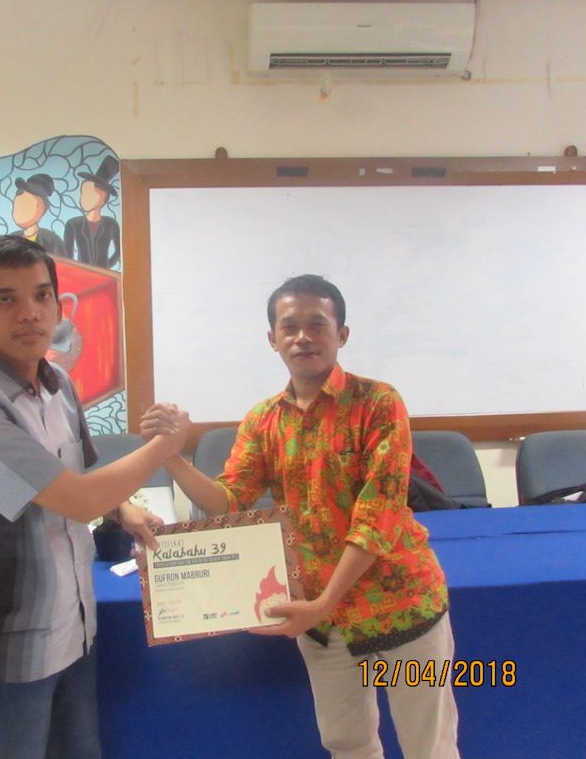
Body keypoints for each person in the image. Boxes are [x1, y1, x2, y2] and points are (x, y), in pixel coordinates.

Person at [141, 274, 460, 759]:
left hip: (401, 606)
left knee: (428, 745)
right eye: (289, 327)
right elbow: (229, 501)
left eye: (317, 324)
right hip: (322, 624)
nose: (303, 337)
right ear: (273, 339)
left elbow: (378, 515)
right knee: (348, 745)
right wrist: (170, 455)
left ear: (342, 334)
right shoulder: (263, 419)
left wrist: (324, 602)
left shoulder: (378, 403)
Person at [0, 235, 188, 759]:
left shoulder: (59, 384)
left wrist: (125, 507)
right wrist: (165, 446)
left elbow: (78, 474)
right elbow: (78, 499)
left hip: (74, 628)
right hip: (8, 644)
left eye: (42, 295)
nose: (30, 313)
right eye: (6, 299)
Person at [64, 155, 121, 269]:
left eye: (90, 194)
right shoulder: (73, 224)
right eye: (83, 193)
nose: (84, 198)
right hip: (80, 274)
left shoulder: (111, 224)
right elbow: (68, 256)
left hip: (104, 274)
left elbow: (119, 251)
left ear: (103, 198)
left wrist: (106, 267)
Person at [11, 173, 66, 256]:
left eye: (27, 206)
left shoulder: (52, 241)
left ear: (42, 208)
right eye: (17, 205)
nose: (19, 211)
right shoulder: (11, 239)